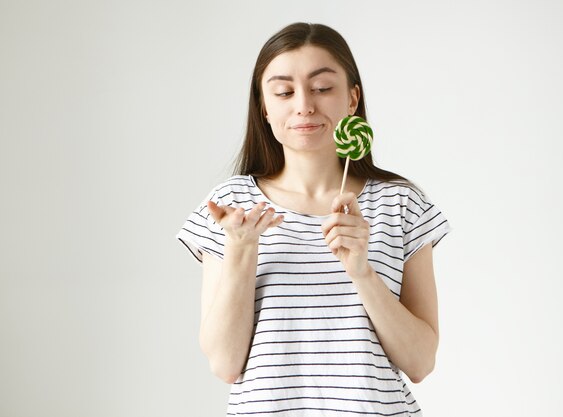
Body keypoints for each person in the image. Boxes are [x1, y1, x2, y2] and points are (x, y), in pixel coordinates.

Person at [176, 22, 451, 416]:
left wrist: (362, 271)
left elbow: (421, 363)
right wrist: (241, 253)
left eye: (322, 88)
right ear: (264, 107)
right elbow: (224, 364)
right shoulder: (232, 205)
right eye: (284, 92)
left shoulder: (400, 204)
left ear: (352, 99)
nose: (304, 104)